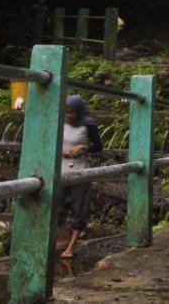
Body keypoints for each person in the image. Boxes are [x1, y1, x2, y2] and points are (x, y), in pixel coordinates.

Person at [58, 95, 102, 259]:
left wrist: (82, 146)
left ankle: (72, 245)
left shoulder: (88, 124)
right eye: (66, 112)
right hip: (61, 167)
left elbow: (98, 147)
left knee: (79, 206)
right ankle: (60, 237)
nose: (68, 115)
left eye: (71, 112)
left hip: (80, 168)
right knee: (58, 204)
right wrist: (61, 150)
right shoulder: (60, 122)